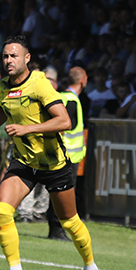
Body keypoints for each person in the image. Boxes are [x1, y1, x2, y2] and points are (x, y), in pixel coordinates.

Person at [0, 36, 101, 270]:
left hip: (54, 164)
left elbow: (64, 120)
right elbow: (4, 109)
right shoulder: (1, 88)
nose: (8, 60)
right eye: (5, 56)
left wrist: (26, 129)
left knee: (70, 223)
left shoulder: (39, 83)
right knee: (2, 210)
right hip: (24, 162)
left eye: (14, 56)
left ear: (27, 58)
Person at [47, 66, 88, 240]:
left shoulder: (63, 97)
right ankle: (57, 229)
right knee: (63, 193)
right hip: (68, 155)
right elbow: (62, 126)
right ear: (83, 80)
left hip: (62, 154)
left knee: (58, 192)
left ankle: (56, 228)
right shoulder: (71, 100)